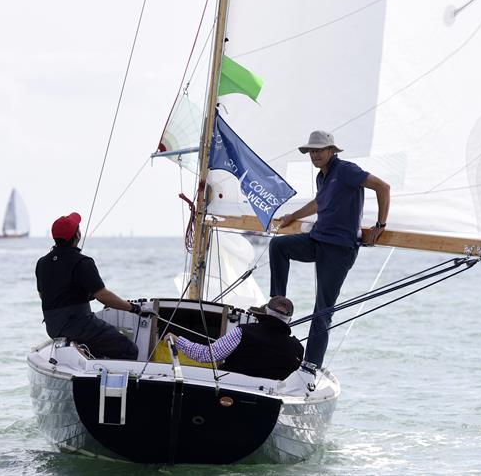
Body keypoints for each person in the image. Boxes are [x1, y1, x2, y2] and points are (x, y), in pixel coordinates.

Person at [270, 130, 390, 368]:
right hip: (317, 241)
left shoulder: (346, 170)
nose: (315, 155)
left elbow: (383, 187)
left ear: (331, 151)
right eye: (311, 151)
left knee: (322, 310)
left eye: (319, 150)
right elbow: (319, 202)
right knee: (278, 246)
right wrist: (292, 215)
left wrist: (380, 224)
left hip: (338, 249)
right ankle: (278, 303)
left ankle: (311, 366)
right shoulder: (321, 177)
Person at [36, 211, 140, 360]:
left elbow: (44, 295)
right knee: (129, 350)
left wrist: (79, 295)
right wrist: (133, 308)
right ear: (77, 235)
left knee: (99, 344)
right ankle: (106, 379)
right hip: (78, 326)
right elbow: (103, 296)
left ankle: (90, 361)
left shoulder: (42, 263)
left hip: (53, 329)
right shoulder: (82, 262)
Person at [162, 296, 304, 380]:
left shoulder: (242, 332)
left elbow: (208, 355)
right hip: (269, 399)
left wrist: (177, 340)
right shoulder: (298, 348)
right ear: (289, 320)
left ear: (266, 312)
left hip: (231, 390)